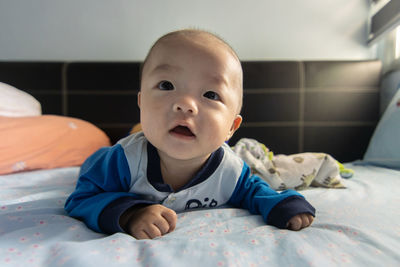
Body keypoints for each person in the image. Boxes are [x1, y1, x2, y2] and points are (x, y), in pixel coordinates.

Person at [65, 29, 315, 239]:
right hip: (109, 156)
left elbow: (255, 191)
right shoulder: (122, 161)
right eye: (166, 85)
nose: (185, 104)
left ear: (231, 127)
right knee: (108, 154)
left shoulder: (230, 171)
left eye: (210, 95)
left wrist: (282, 204)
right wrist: (130, 214)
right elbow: (83, 198)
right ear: (141, 102)